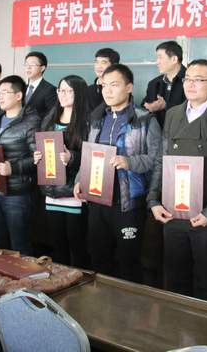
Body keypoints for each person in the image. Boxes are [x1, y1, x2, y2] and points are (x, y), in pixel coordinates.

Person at [147, 59, 207, 302]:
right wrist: (153, 200)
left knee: (206, 283)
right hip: (173, 212)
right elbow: (161, 160)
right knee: (175, 280)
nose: (190, 84)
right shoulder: (172, 114)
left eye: (198, 80)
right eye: (187, 79)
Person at [74, 64, 161, 283]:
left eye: (114, 85)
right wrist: (79, 179)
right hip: (97, 199)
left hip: (127, 202)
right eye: (104, 86)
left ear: (129, 87)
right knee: (98, 257)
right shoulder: (96, 118)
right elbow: (88, 153)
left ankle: (128, 304)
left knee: (127, 261)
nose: (108, 91)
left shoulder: (145, 119)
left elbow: (158, 159)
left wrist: (130, 162)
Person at [0, 75, 39, 255]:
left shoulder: (31, 122)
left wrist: (14, 168)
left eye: (5, 92)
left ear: (19, 96)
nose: (0, 96)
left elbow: (38, 159)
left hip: (17, 193)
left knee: (20, 245)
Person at [34, 75, 90, 267]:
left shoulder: (87, 121)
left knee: (77, 245)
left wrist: (71, 157)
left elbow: (93, 156)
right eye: (60, 90)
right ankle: (61, 280)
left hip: (74, 192)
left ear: (79, 93)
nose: (63, 94)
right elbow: (43, 145)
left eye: (68, 91)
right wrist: (38, 157)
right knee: (57, 245)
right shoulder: (50, 118)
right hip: (52, 190)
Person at [142, 40, 186, 129]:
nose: (157, 62)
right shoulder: (154, 83)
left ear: (174, 59)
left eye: (160, 57)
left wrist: (166, 106)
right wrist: (149, 107)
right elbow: (144, 106)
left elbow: (196, 109)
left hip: (183, 133)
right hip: (157, 133)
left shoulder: (190, 81)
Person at [23, 51, 57, 120]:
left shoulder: (50, 90)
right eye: (26, 64)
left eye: (32, 64)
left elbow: (51, 116)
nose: (28, 67)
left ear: (42, 68)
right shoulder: (22, 88)